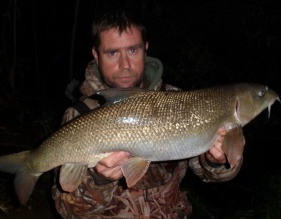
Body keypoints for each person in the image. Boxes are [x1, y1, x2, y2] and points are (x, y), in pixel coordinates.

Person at [51, 8, 244, 218]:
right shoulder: (78, 115)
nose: (125, 65)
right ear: (96, 56)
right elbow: (67, 211)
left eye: (133, 50)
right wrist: (99, 180)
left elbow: (211, 174)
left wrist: (215, 160)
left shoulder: (177, 100)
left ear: (146, 49)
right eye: (112, 53)